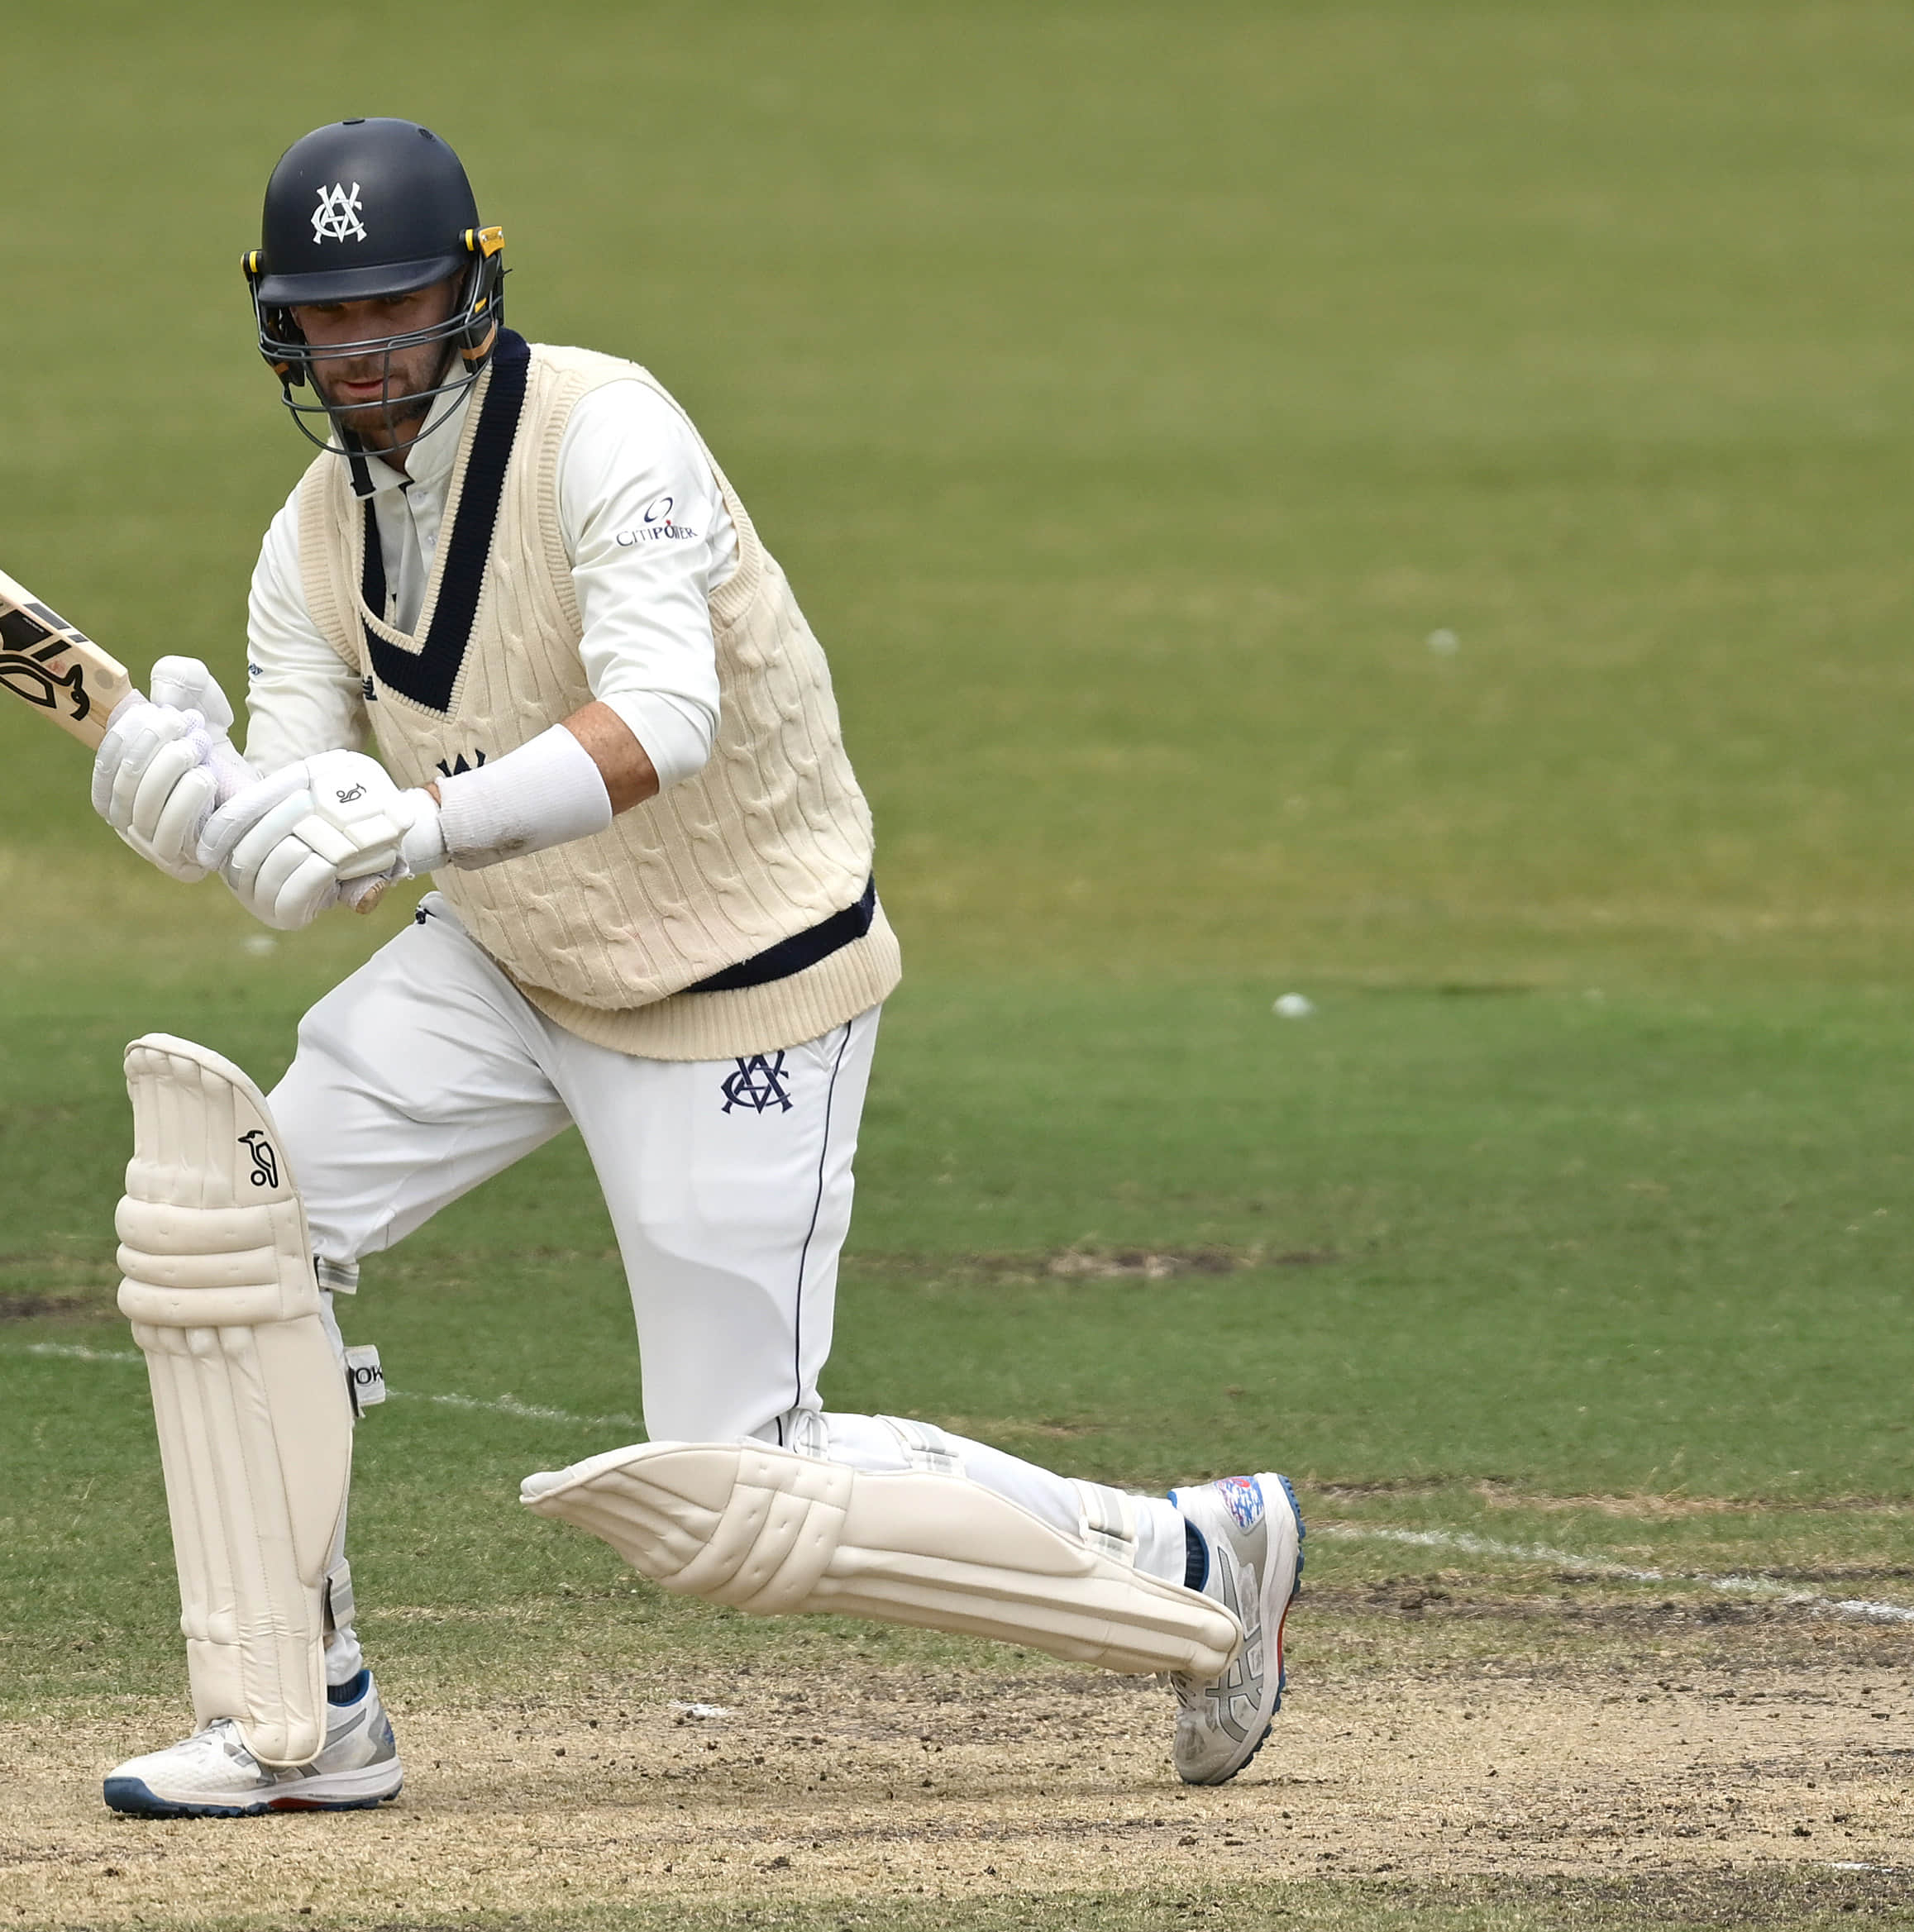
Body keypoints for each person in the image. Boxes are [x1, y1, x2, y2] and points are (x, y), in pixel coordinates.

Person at [83, 117, 1301, 1819]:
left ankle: (1196, 1553)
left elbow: (662, 717)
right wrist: (204, 808)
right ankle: (302, 1711)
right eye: (328, 318)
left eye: (397, 306)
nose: (364, 352)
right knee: (229, 1222)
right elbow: (315, 850)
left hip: (741, 980)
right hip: (511, 966)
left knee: (739, 1496)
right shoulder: (308, 544)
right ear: (278, 325)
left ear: (471, 293)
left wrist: (414, 825)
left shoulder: (610, 435)